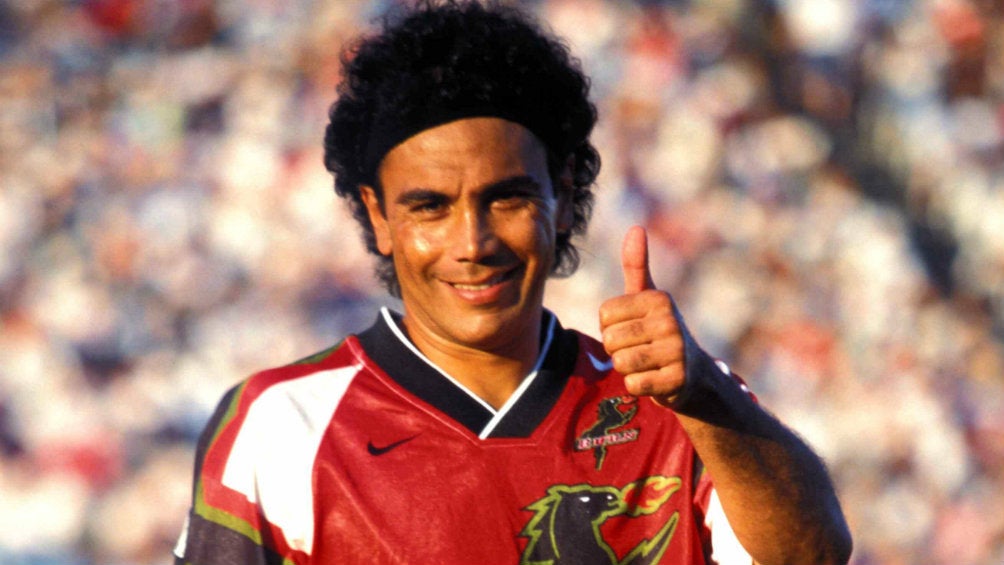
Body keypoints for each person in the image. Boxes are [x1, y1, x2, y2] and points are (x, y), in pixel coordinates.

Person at [173, 1, 852, 564]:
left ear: (563, 194)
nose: (473, 243)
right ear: (378, 216)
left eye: (507, 197)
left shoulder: (680, 404)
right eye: (430, 206)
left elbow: (813, 555)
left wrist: (705, 396)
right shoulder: (281, 423)